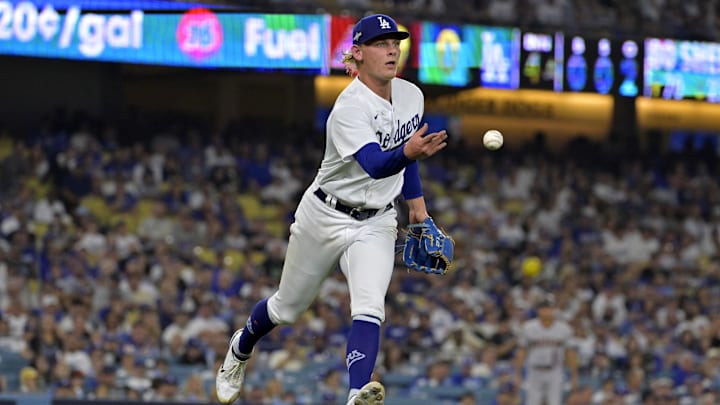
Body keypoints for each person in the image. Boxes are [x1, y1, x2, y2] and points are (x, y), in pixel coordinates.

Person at [215, 13, 448, 405]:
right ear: (357, 53)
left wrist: (418, 209)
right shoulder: (348, 108)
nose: (392, 49)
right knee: (286, 308)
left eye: (396, 42)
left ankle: (358, 392)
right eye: (380, 44)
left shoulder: (412, 95)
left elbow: (408, 160)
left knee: (371, 305)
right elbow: (376, 164)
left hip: (377, 220)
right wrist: (408, 152)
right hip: (324, 215)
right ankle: (240, 348)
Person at [513, 294, 578, 405]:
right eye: (543, 308)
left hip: (555, 371)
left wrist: (574, 376)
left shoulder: (564, 328)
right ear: (538, 310)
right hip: (534, 371)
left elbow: (570, 353)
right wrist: (517, 374)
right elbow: (522, 352)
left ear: (554, 309)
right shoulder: (528, 327)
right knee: (532, 402)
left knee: (555, 402)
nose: (546, 311)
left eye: (549, 307)